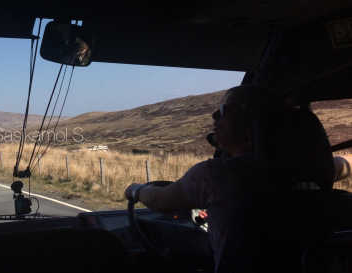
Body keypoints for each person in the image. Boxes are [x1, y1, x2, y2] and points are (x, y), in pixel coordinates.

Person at [125, 84, 352, 272]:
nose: (215, 115)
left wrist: (135, 190)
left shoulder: (217, 175)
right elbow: (344, 164)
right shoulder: (313, 174)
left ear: (251, 128)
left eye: (225, 108)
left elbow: (160, 202)